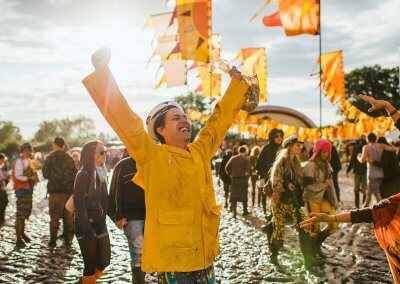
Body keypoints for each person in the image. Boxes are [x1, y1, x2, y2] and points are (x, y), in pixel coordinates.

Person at [82, 47, 252, 283]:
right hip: (174, 260)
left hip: (205, 255)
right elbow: (127, 123)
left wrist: (237, 86)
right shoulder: (152, 156)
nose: (184, 120)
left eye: (185, 117)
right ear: (160, 130)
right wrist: (103, 74)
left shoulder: (200, 151)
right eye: (175, 118)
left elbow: (218, 122)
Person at [269, 135, 322, 269]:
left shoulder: (296, 162)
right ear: (290, 147)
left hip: (293, 202)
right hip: (280, 202)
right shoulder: (282, 161)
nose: (300, 147)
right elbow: (275, 183)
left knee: (305, 224)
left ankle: (308, 259)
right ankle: (273, 254)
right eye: (297, 145)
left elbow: (299, 181)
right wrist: (285, 185)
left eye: (301, 145)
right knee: (279, 231)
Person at [74, 140, 110, 283]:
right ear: (92, 155)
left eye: (105, 151)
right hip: (85, 224)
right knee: (90, 264)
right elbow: (79, 203)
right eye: (101, 152)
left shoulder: (102, 172)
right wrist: (86, 227)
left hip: (100, 222)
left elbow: (105, 200)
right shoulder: (83, 174)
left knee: (104, 261)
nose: (105, 154)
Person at [108, 150, 146, 284]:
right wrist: (117, 216)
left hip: (153, 217)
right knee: (138, 255)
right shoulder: (122, 165)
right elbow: (113, 192)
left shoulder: (152, 162)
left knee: (155, 255)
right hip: (131, 218)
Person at [302, 139, 338, 259]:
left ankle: (317, 245)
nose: (325, 155)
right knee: (314, 228)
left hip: (325, 199)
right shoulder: (310, 165)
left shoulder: (327, 164)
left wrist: (335, 201)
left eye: (327, 152)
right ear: (317, 151)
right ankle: (313, 252)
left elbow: (330, 184)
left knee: (333, 224)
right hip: (312, 199)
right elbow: (308, 185)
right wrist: (323, 184)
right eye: (323, 152)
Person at [42, 137, 77, 247]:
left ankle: (53, 240)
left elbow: (45, 174)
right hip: (68, 192)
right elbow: (75, 174)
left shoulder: (50, 158)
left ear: (54, 144)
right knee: (68, 216)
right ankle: (68, 240)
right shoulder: (69, 158)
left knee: (54, 217)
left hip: (55, 192)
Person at [358, 132, 397, 206]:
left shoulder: (366, 147)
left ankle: (383, 208)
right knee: (369, 193)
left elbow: (362, 160)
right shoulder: (381, 146)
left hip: (372, 174)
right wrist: (393, 144)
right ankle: (364, 207)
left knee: (377, 193)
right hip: (380, 173)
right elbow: (393, 149)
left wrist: (358, 157)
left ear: (367, 139)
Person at [12, 143, 38, 247]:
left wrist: (34, 177)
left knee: (25, 213)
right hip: (22, 190)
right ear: (25, 150)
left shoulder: (28, 161)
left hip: (28, 190)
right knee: (20, 215)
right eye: (30, 150)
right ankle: (18, 238)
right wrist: (29, 178)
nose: (31, 153)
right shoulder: (19, 161)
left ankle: (22, 233)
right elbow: (16, 177)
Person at [256, 128, 284, 214]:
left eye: (281, 136)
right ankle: (269, 214)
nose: (279, 138)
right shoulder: (267, 148)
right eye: (276, 136)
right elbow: (258, 164)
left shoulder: (283, 149)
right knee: (270, 199)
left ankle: (275, 218)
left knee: (279, 201)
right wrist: (268, 172)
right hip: (269, 179)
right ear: (272, 137)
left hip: (281, 179)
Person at [225, 145, 252, 218]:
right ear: (245, 152)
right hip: (243, 180)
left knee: (234, 196)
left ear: (238, 151)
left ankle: (234, 212)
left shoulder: (233, 158)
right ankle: (245, 211)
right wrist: (248, 176)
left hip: (234, 179)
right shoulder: (246, 159)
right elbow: (250, 170)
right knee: (244, 196)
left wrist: (230, 174)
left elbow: (226, 168)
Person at [346, 136, 367, 208]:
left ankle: (357, 205)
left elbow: (352, 160)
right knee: (365, 190)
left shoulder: (356, 147)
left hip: (357, 171)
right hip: (365, 171)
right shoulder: (368, 147)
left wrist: (348, 170)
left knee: (356, 189)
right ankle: (364, 205)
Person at [0, 153, 9, 222]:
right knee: (3, 202)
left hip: (2, 188)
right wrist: (4, 178)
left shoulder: (1, 168)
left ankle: (2, 217)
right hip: (1, 189)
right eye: (2, 159)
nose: (3, 161)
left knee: (5, 201)